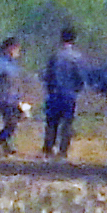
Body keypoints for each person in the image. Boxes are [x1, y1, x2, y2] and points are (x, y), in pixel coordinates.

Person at [41, 28, 87, 160]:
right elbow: (80, 77)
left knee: (51, 123)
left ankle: (48, 149)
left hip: (54, 94)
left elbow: (48, 75)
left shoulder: (54, 55)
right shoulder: (77, 57)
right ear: (74, 39)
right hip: (69, 94)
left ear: (61, 38)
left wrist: (49, 89)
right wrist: (78, 89)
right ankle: (63, 151)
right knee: (67, 123)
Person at [0, 37, 25, 155]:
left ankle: (6, 146)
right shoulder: (0, 62)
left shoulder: (13, 64)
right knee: (11, 122)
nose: (18, 52)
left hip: (14, 98)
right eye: (16, 49)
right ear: (9, 48)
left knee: (15, 119)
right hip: (4, 98)